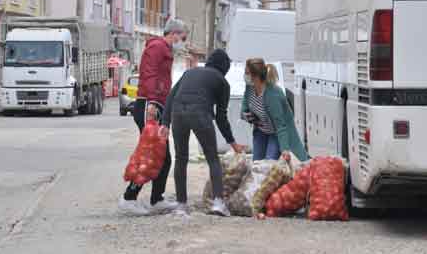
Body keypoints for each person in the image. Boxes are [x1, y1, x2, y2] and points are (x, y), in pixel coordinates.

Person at [160, 49, 246, 217]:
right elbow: (221, 117)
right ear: (225, 67)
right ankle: (218, 203)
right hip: (200, 114)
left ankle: (181, 205)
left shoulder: (190, 72)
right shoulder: (222, 82)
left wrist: (165, 123)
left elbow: (171, 96)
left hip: (178, 113)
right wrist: (233, 143)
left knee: (181, 158)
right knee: (212, 157)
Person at [118, 18, 188, 216]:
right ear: (173, 33)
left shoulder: (164, 50)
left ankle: (157, 198)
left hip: (155, 105)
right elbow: (149, 75)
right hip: (151, 106)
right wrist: (153, 103)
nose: (182, 42)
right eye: (182, 37)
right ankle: (129, 197)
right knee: (152, 155)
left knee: (162, 157)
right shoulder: (157, 48)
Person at [242, 58, 309, 162]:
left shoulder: (273, 94)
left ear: (256, 76)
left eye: (247, 73)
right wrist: (246, 115)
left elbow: (281, 125)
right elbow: (245, 104)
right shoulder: (250, 87)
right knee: (257, 164)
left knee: (270, 163)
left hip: (276, 133)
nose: (245, 76)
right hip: (261, 131)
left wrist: (284, 149)